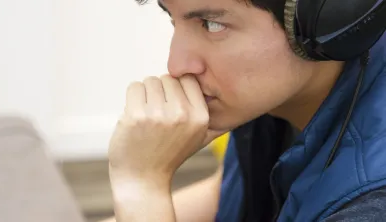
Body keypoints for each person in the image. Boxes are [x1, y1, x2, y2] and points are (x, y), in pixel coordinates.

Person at [101, 0, 386, 221]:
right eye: (172, 18)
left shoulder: (374, 207)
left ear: (330, 17)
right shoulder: (272, 98)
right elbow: (225, 195)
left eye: (211, 24)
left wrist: (141, 189)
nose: (176, 65)